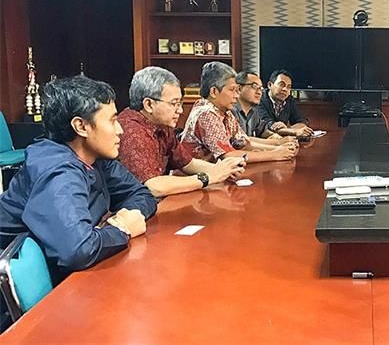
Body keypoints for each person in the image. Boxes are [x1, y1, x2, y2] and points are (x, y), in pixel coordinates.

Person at [0, 76, 157, 283]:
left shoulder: (95, 157)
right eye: (112, 121)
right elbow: (77, 250)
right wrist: (122, 229)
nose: (120, 130)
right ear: (81, 126)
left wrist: (125, 218)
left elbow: (141, 194)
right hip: (31, 285)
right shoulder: (57, 171)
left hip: (66, 272)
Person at [118, 66, 245, 197]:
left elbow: (188, 163)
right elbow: (154, 187)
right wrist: (208, 178)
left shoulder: (162, 125)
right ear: (149, 105)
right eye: (174, 104)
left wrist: (223, 170)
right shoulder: (132, 131)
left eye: (180, 103)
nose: (180, 110)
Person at [180, 62, 298, 163]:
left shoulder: (226, 112)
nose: (237, 95)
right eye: (232, 90)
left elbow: (244, 142)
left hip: (214, 173)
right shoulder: (206, 113)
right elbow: (228, 156)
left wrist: (279, 147)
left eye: (237, 90)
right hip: (193, 178)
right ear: (214, 92)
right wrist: (276, 154)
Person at [233, 71, 296, 143]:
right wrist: (278, 143)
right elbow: (241, 141)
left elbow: (264, 131)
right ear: (239, 89)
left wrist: (276, 137)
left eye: (260, 88)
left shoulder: (254, 112)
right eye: (254, 86)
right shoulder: (231, 112)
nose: (259, 92)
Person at [257, 69, 314, 138]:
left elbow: (302, 121)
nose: (285, 89)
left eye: (288, 87)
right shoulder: (259, 99)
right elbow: (266, 126)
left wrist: (287, 129)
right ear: (269, 85)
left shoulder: (289, 100)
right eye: (281, 85)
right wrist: (295, 131)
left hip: (281, 140)